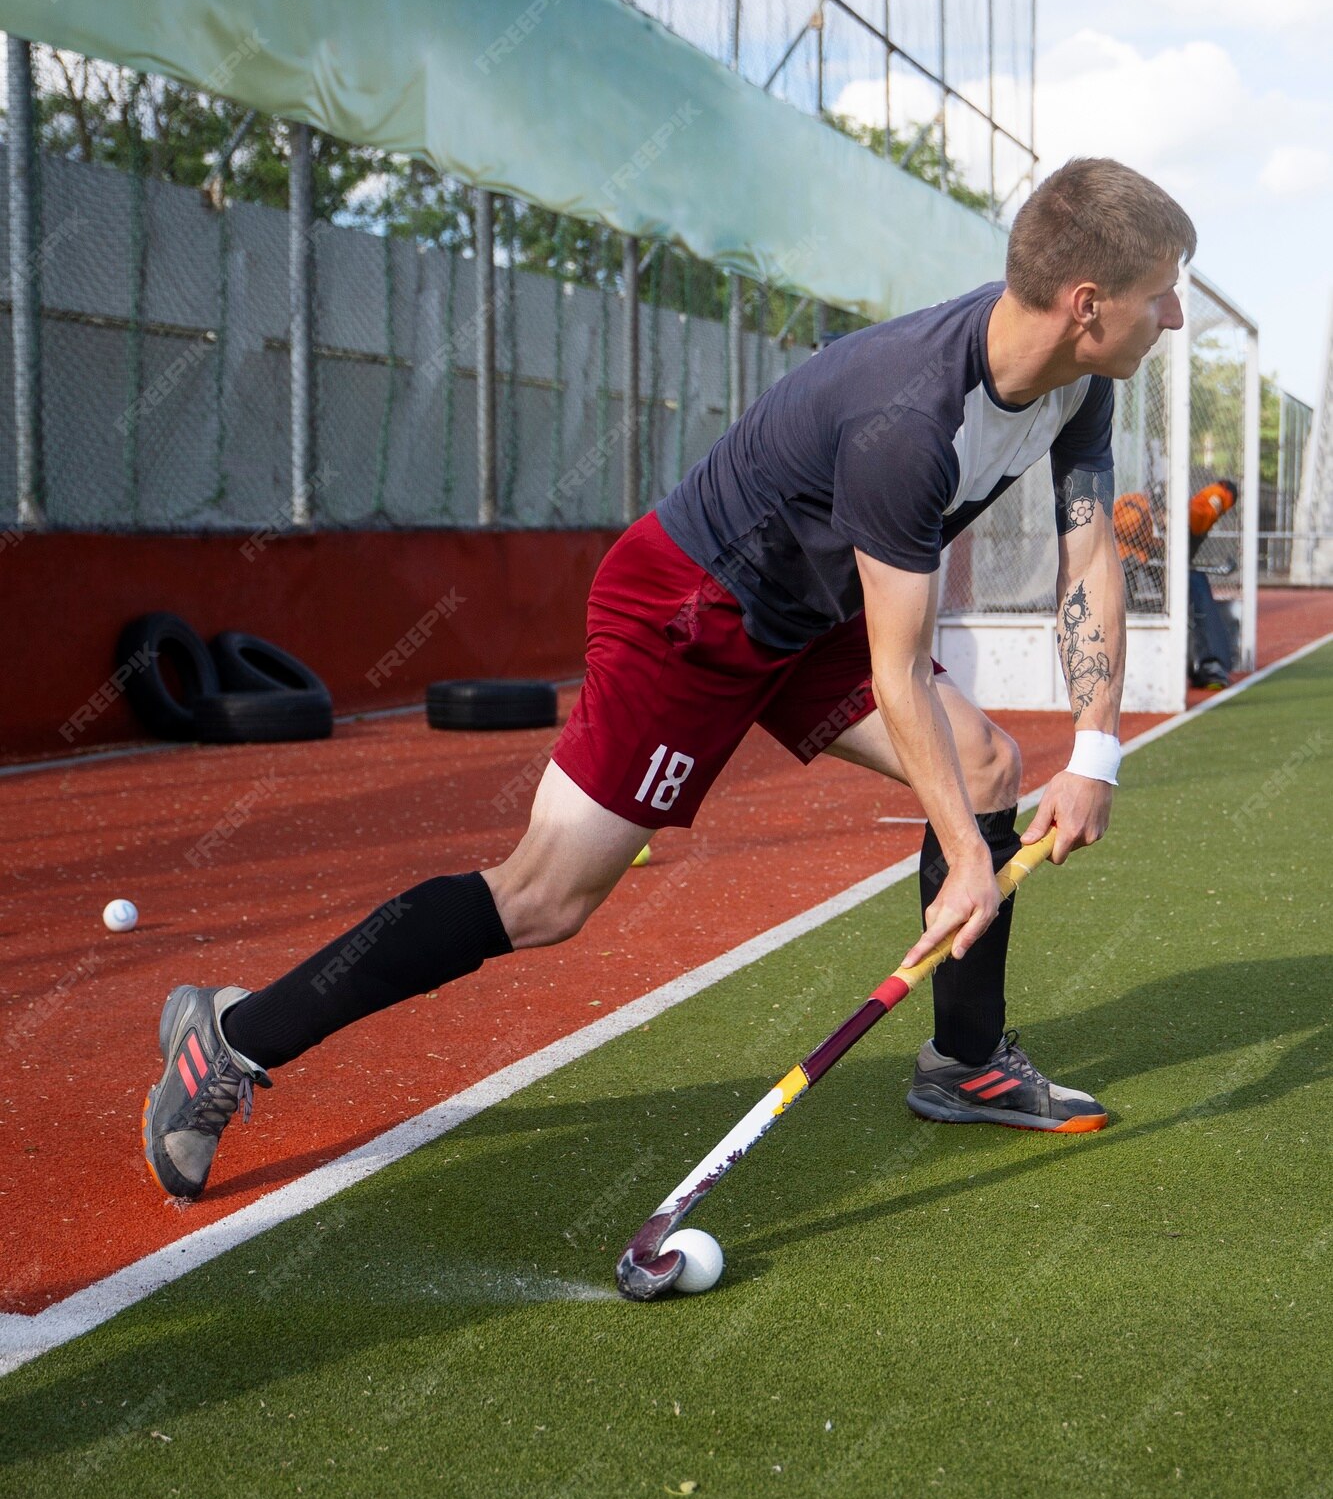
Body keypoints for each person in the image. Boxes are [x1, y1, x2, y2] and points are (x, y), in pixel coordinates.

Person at [142, 157, 1195, 1208]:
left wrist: (1095, 748)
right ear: (1086, 304)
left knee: (987, 763)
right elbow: (894, 666)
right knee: (546, 896)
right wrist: (968, 857)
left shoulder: (1076, 384)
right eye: (1163, 291)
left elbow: (1089, 553)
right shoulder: (906, 423)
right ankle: (231, 1038)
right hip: (691, 610)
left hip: (814, 608)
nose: (1178, 315)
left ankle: (963, 1063)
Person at [1187, 477, 1239, 688]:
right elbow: (1199, 518)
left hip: (1150, 562)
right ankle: (1211, 662)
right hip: (1157, 561)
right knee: (1199, 590)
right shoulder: (1219, 495)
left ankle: (1203, 660)